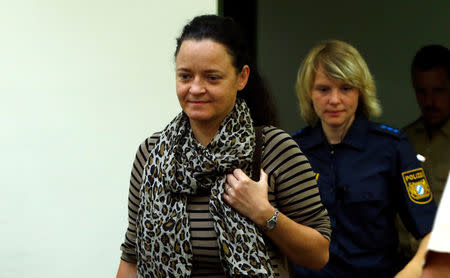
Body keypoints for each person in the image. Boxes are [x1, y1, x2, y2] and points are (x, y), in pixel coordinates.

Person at [116, 15, 331, 278]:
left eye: (212, 78)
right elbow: (132, 257)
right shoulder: (152, 155)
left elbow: (318, 254)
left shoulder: (275, 149)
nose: (196, 88)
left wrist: (264, 213)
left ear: (242, 78)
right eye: (185, 76)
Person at [291, 40, 437, 278]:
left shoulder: (391, 147)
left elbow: (432, 231)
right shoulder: (292, 150)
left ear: (361, 91)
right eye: (324, 89)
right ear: (309, 92)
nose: (335, 100)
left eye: (346, 88)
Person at [397, 44, 450, 265]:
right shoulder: (402, 141)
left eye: (438, 91)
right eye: (422, 92)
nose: (429, 102)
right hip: (404, 262)